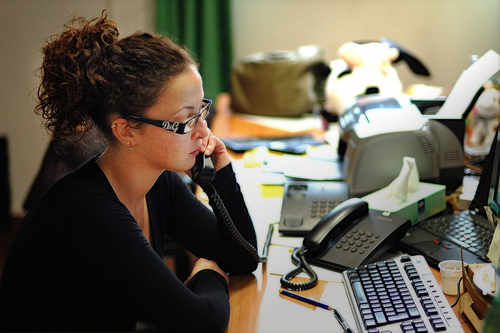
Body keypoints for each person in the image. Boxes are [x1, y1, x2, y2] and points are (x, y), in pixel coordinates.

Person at [0, 11, 258, 332]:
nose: (203, 133)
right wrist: (207, 271)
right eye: (186, 119)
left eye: (202, 112)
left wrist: (222, 176)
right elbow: (202, 322)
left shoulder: (159, 183)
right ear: (126, 131)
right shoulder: (91, 214)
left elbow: (243, 258)